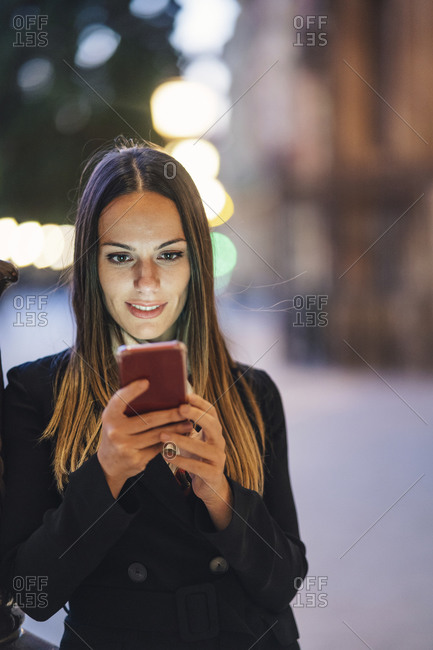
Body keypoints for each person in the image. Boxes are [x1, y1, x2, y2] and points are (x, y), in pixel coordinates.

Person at [0, 139, 307, 650]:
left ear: (196, 264)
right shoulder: (39, 395)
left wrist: (220, 495)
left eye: (169, 254)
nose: (148, 281)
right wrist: (105, 476)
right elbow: (31, 593)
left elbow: (284, 583)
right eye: (121, 257)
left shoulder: (252, 394)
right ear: (92, 268)